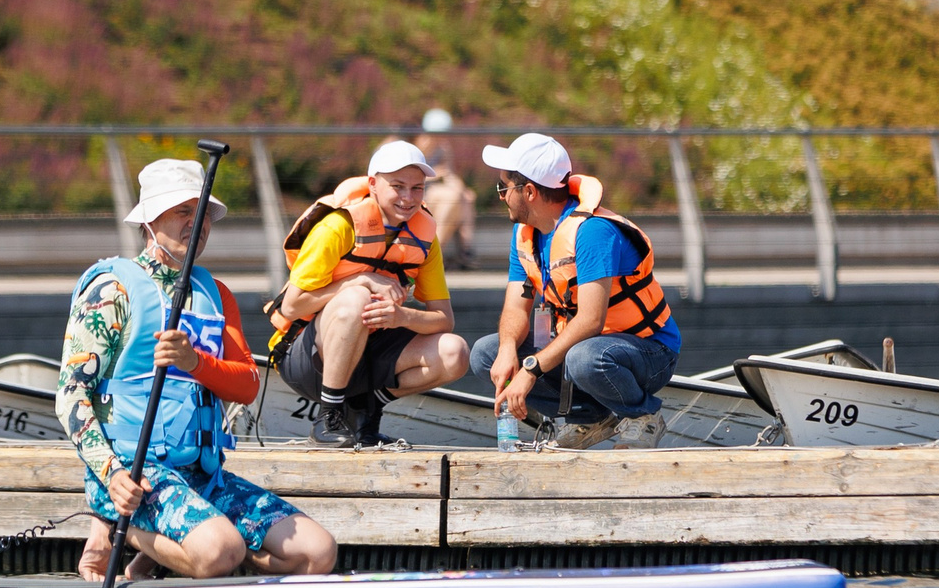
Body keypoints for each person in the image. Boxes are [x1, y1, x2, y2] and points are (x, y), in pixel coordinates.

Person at [60, 157, 338, 581]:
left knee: (318, 553)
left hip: (203, 475)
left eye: (204, 212)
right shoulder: (111, 289)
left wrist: (195, 363)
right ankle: (120, 526)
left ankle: (157, 559)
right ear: (150, 220)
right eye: (183, 212)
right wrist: (112, 475)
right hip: (138, 474)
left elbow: (246, 385)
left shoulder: (215, 293)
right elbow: (71, 396)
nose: (199, 223)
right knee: (219, 551)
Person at [468, 132, 680, 450]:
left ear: (528, 192)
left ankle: (642, 417)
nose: (500, 196)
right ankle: (589, 418)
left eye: (502, 188)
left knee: (585, 358)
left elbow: (591, 321)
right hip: (583, 349)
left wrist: (530, 370)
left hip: (646, 353)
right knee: (486, 353)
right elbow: (515, 306)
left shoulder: (593, 232)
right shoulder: (523, 234)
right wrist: (509, 350)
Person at [267, 140, 471, 447]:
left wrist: (401, 316)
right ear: (373, 184)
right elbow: (293, 306)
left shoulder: (425, 237)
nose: (408, 197)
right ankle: (329, 416)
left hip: (368, 356)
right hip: (306, 360)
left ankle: (368, 407)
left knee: (455, 353)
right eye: (398, 186)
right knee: (358, 297)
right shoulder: (338, 226)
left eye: (417, 188)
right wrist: (359, 279)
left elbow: (444, 321)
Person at [415, 107, 477, 266]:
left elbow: (450, 174)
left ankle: (465, 247)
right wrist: (436, 174)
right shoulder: (422, 145)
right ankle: (436, 252)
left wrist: (462, 188)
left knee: (466, 197)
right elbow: (414, 177)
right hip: (424, 189)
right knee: (453, 197)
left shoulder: (443, 147)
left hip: (439, 188)